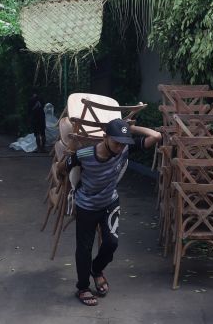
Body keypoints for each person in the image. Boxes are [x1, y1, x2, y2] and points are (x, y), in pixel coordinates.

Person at [61, 118, 161, 306]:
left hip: (109, 203)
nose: (119, 147)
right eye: (116, 141)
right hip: (86, 206)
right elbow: (65, 166)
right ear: (105, 137)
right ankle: (83, 288)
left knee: (111, 243)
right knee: (84, 248)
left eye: (123, 143)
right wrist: (64, 181)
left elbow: (156, 136)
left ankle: (97, 270)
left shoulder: (124, 149)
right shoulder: (84, 154)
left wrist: (130, 129)